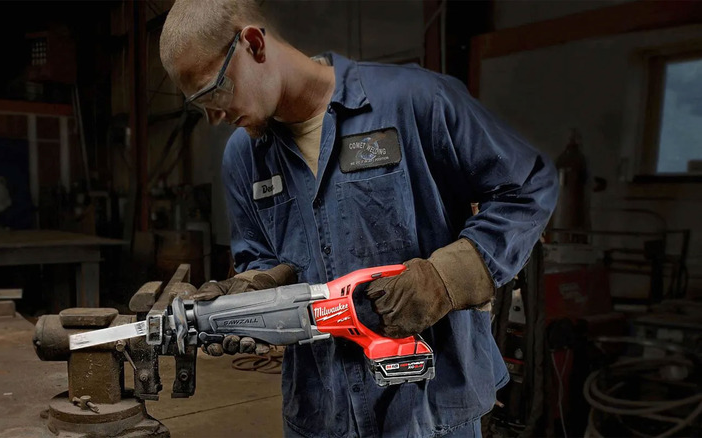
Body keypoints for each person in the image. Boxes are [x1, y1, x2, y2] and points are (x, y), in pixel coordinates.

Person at [160, 1, 558, 437]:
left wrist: (448, 278)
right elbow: (260, 257)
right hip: (320, 412)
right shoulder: (244, 157)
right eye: (199, 106)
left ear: (254, 44)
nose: (214, 117)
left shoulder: (414, 100)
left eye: (213, 92)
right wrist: (254, 295)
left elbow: (529, 185)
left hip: (432, 409)